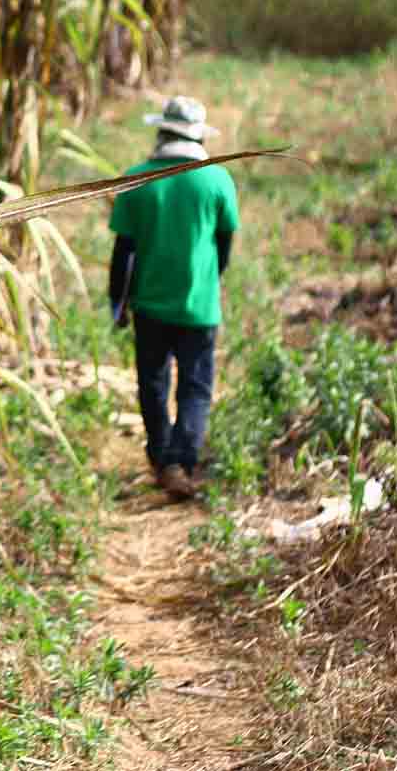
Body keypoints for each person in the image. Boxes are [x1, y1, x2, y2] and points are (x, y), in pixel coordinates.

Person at [107, 95, 239, 502]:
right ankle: (182, 459)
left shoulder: (137, 180)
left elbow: (123, 252)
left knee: (152, 382)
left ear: (162, 131)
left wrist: (118, 305)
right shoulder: (216, 179)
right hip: (199, 306)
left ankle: (163, 458)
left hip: (149, 305)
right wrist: (211, 279)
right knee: (196, 386)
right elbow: (225, 238)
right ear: (199, 136)